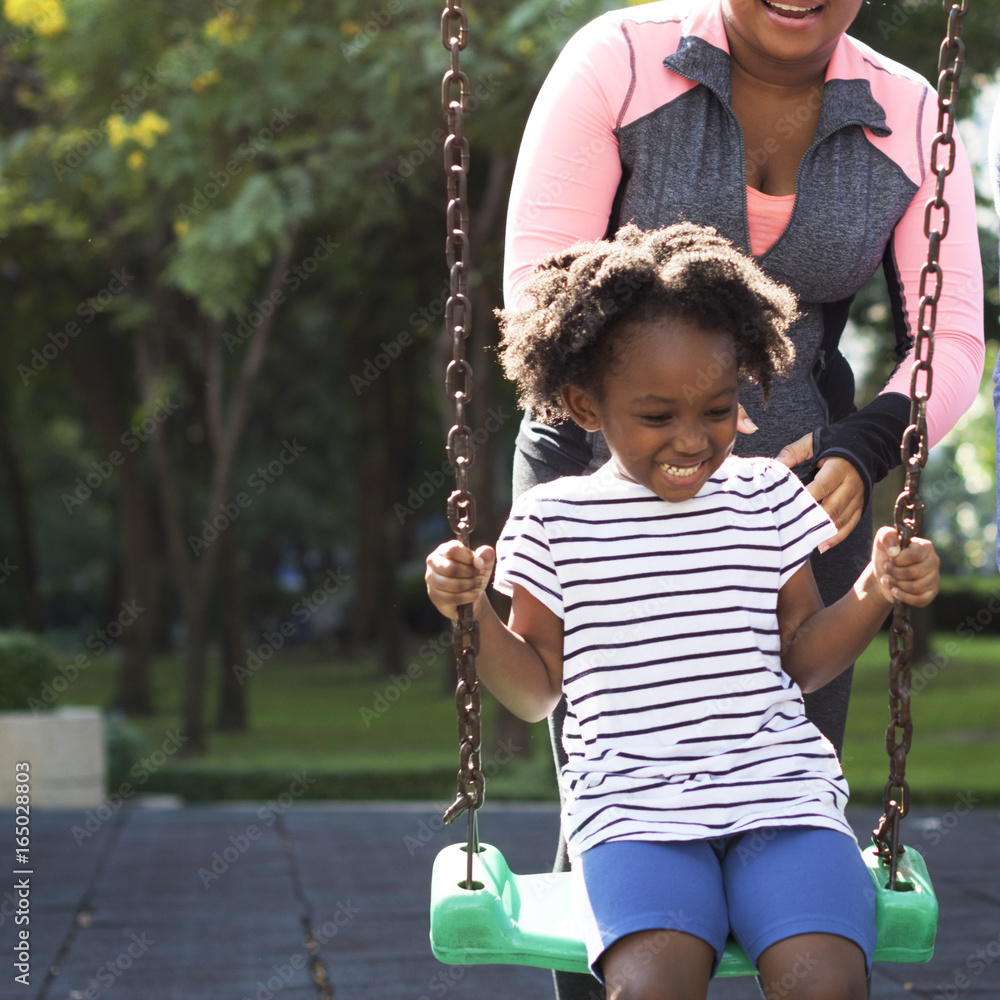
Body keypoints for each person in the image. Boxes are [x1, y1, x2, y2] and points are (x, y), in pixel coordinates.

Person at [504, 7, 983, 994]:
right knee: (619, 774)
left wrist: (858, 445)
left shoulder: (908, 111)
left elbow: (952, 342)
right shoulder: (620, 64)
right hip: (600, 458)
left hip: (812, 486)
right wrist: (676, 461)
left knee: (773, 754)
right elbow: (537, 295)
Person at [426, 223, 940, 1000]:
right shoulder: (554, 520)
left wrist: (874, 591)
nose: (693, 441)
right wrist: (473, 618)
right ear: (584, 406)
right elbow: (535, 692)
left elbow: (804, 656)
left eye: (718, 410)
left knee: (827, 981)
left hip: (781, 795)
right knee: (653, 986)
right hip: (634, 810)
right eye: (658, 416)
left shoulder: (765, 494)